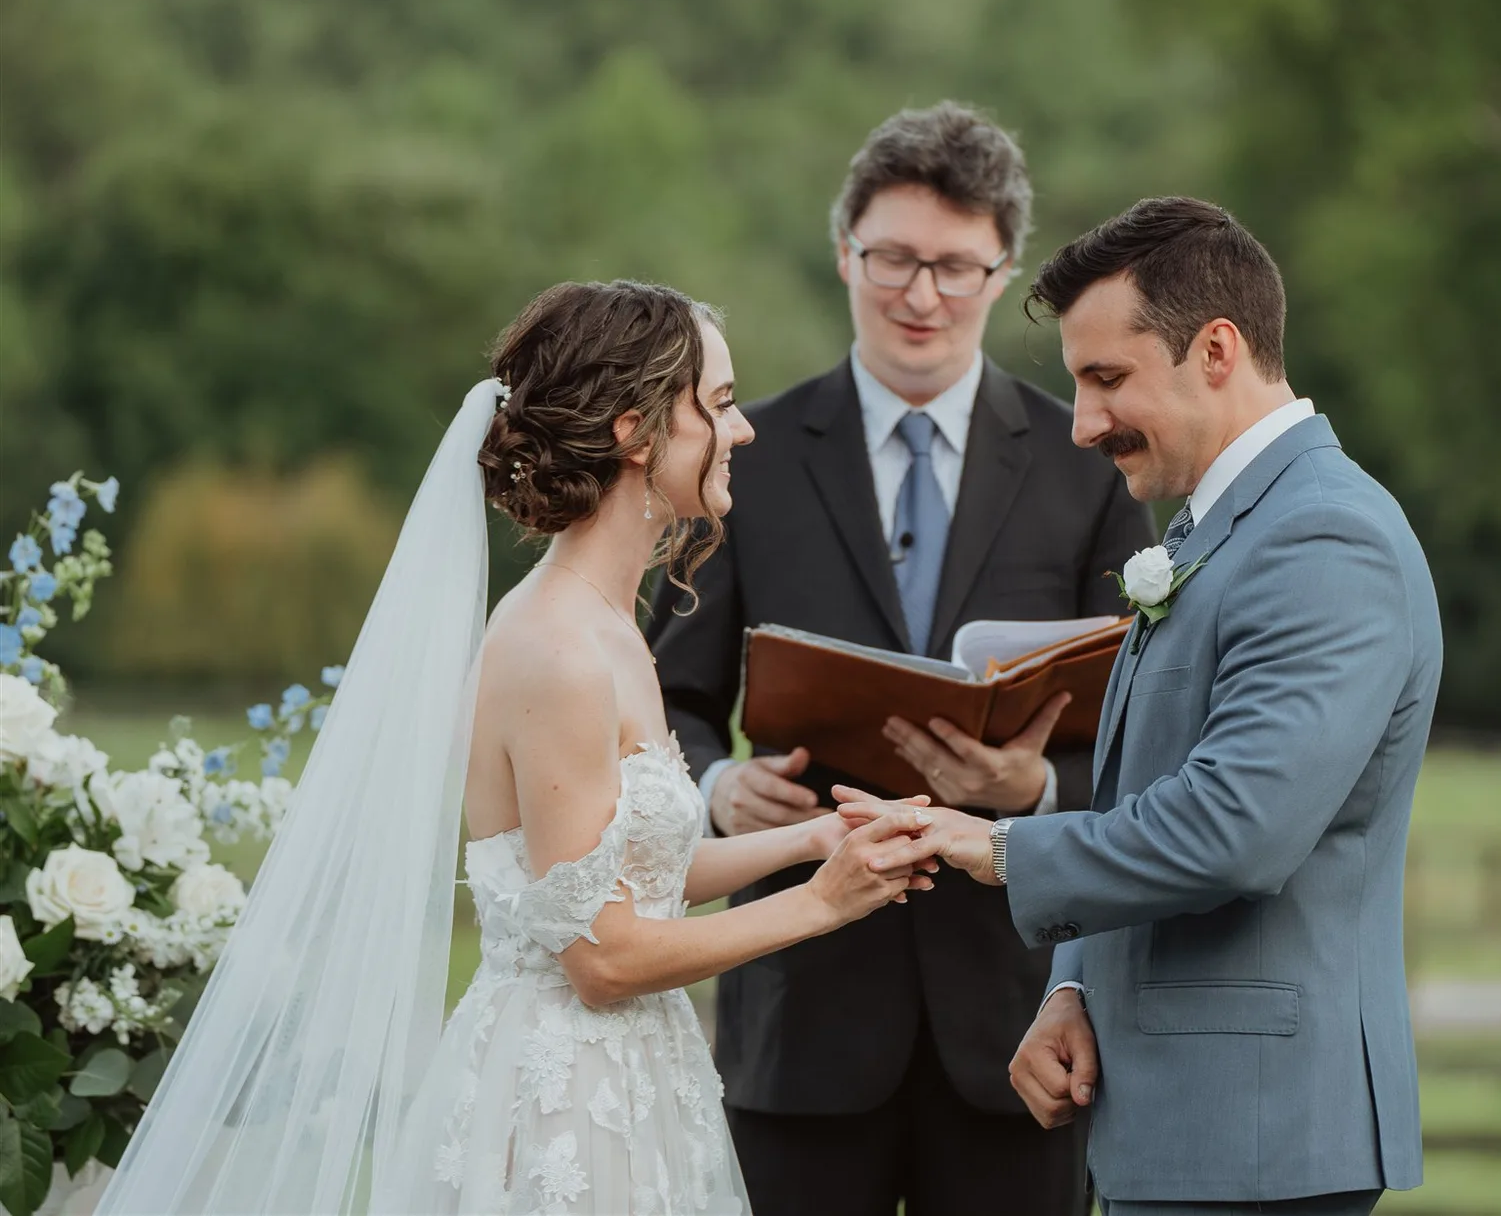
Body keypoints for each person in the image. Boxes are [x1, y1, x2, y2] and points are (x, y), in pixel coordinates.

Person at [99, 280, 939, 1214]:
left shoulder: (612, 625)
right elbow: (603, 957)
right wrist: (823, 906)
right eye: (721, 404)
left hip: (636, 1084)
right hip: (566, 1109)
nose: (741, 432)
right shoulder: (559, 651)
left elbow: (627, 874)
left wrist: (811, 840)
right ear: (636, 431)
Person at [846, 198, 1442, 1215]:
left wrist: (993, 848)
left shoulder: (1323, 539)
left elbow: (1233, 829)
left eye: (1106, 380)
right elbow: (1146, 791)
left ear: (1216, 349)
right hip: (1175, 1125)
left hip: (1258, 1135)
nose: (1081, 425)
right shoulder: (1219, 532)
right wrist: (1076, 984)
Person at [651, 104, 1155, 1216]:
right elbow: (665, 698)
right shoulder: (746, 457)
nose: (920, 294)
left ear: (1002, 268)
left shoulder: (1089, 470)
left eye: (954, 266)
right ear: (845, 253)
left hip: (1019, 1024)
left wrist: (1037, 791)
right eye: (891, 259)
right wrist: (717, 786)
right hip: (799, 1017)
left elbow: (1144, 729)